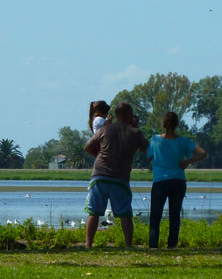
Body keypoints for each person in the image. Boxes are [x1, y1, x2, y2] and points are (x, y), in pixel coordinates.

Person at [83, 102, 149, 248]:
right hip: (120, 177)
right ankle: (128, 245)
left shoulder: (105, 129)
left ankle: (88, 245)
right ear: (130, 116)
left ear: (117, 115)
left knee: (94, 211)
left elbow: (88, 146)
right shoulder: (135, 132)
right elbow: (148, 152)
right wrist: (136, 129)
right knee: (125, 213)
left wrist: (99, 157)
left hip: (100, 175)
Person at [145, 111, 207, 249]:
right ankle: (172, 245)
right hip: (178, 180)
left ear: (163, 124)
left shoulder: (155, 140)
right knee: (175, 215)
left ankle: (153, 245)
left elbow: (148, 157)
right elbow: (202, 153)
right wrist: (187, 162)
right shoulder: (183, 141)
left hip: (160, 180)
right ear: (177, 124)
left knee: (155, 215)